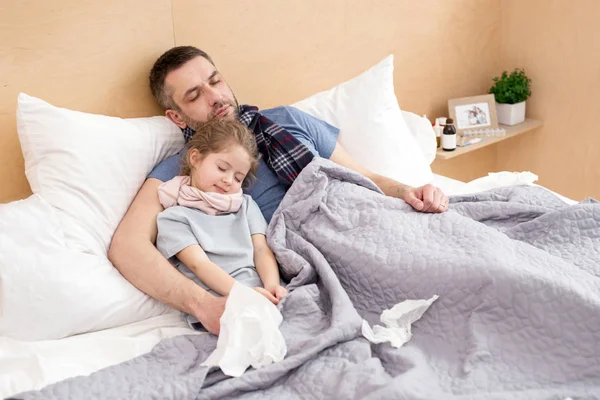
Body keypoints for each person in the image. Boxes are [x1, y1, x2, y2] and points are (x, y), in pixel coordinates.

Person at [108, 46, 449, 335]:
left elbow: (364, 178)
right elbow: (127, 246)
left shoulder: (288, 119)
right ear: (177, 118)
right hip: (315, 246)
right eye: (195, 96)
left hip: (364, 213)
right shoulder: (186, 168)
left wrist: (408, 190)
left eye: (215, 81)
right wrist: (204, 304)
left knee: (462, 254)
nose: (215, 98)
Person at [156, 118, 287, 330]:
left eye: (238, 178)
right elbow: (199, 265)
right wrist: (241, 295)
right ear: (195, 158)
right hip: (221, 305)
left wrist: (273, 285)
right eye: (222, 168)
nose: (228, 180)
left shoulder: (245, 205)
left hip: (261, 292)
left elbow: (261, 249)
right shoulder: (174, 218)